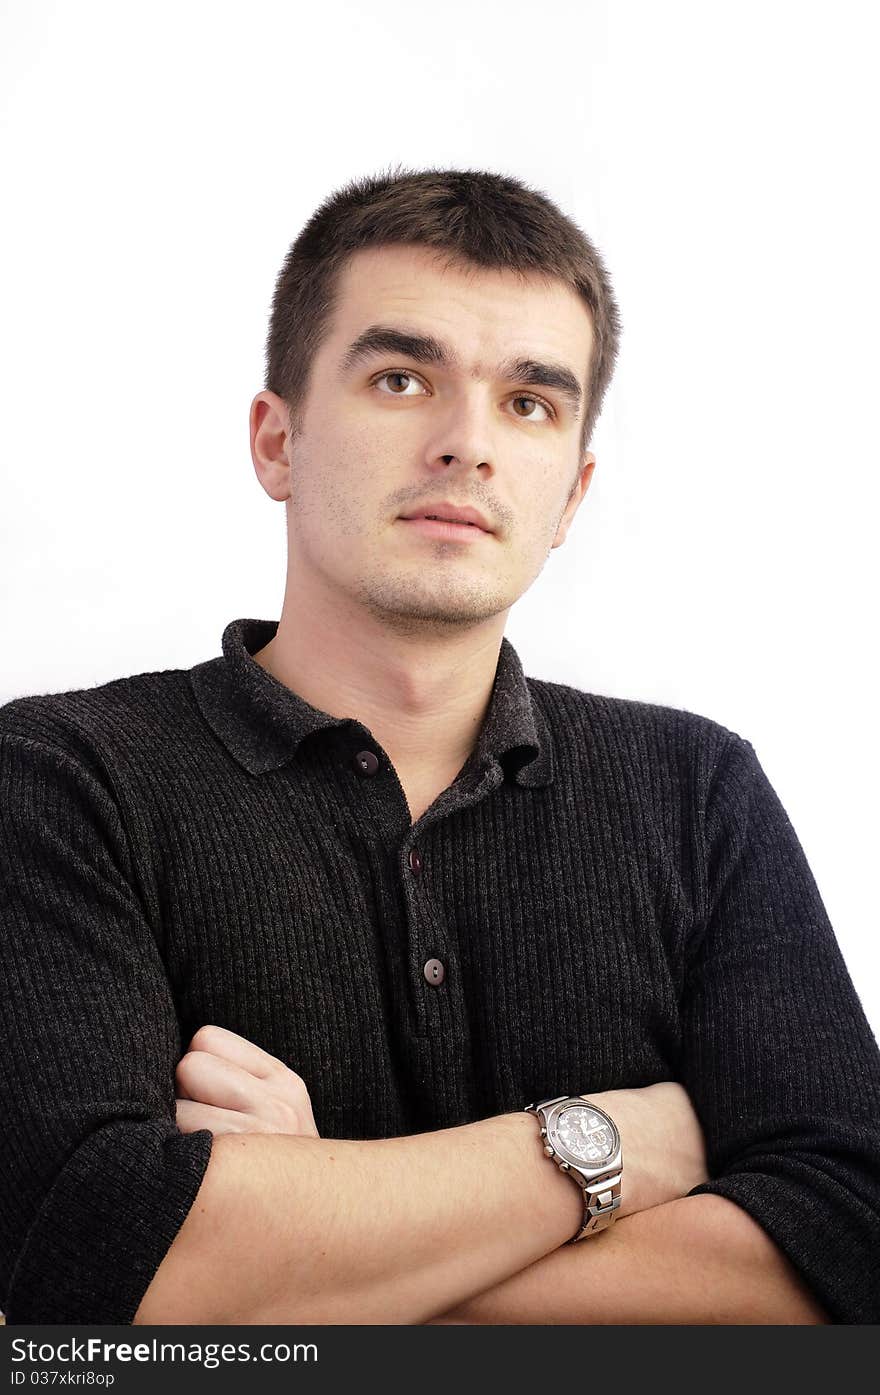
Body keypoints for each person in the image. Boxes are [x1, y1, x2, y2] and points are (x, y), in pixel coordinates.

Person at [1, 167, 878, 1328]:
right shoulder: (62, 778)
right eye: (401, 378)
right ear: (277, 440)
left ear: (570, 493)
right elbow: (90, 1265)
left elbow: (849, 1242)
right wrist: (614, 1147)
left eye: (529, 403)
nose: (467, 443)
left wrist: (311, 1247)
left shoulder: (695, 789)